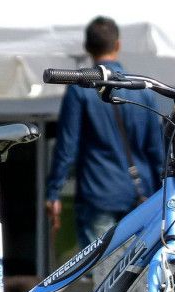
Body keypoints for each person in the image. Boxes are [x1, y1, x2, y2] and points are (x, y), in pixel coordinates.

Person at [45, 16, 166, 251]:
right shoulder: (142, 89)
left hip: (98, 191)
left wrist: (54, 192)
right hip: (142, 192)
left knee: (101, 273)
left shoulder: (80, 90)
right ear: (118, 45)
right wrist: (162, 194)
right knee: (137, 273)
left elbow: (67, 147)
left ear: (87, 47)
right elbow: (156, 149)